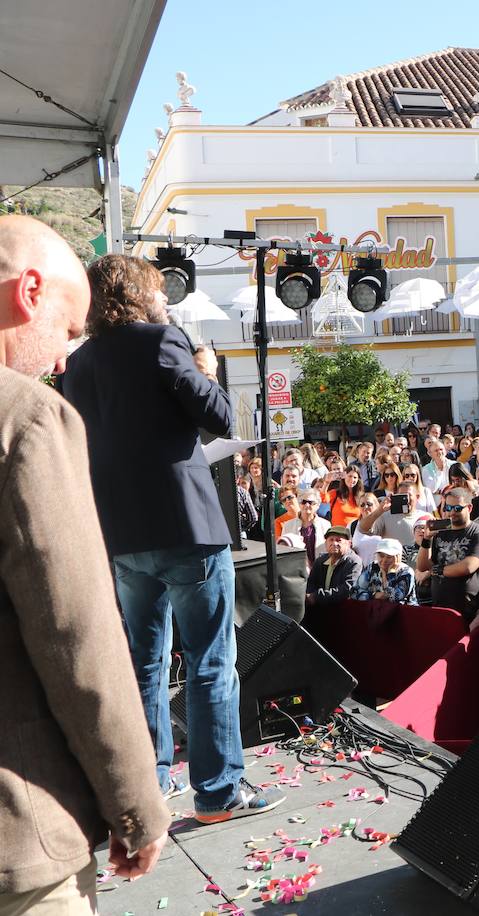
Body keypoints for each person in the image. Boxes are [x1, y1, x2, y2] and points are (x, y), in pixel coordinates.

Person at [62, 253, 285, 825]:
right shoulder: (163, 341)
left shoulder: (78, 363)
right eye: (159, 292)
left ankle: (151, 784)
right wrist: (206, 370)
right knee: (211, 660)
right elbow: (218, 418)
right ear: (141, 294)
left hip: (122, 534)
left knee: (145, 662)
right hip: (185, 529)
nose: (167, 300)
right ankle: (217, 792)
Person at [0, 215, 172, 909]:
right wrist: (136, 806)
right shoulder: (26, 418)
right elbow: (76, 634)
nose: (67, 359)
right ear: (28, 292)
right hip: (19, 834)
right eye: (69, 331)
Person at [418, 489, 479, 620]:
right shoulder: (440, 531)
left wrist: (437, 570)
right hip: (440, 604)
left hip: (467, 607)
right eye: (448, 507)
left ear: (469, 507)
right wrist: (426, 539)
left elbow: (468, 567)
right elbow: (422, 566)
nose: (451, 512)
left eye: (457, 508)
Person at [304, 525, 362, 608]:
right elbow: (311, 583)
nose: (334, 543)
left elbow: (347, 590)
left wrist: (316, 596)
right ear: (326, 543)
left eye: (339, 540)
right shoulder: (320, 561)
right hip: (320, 609)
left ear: (349, 543)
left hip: (344, 610)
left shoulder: (354, 562)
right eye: (331, 540)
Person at [352, 538, 418, 604]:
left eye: (389, 557)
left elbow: (394, 597)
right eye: (381, 556)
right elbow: (354, 593)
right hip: (375, 611)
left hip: (403, 612)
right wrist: (374, 595)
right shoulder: (372, 567)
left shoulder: (406, 572)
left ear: (398, 557)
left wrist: (390, 573)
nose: (384, 560)